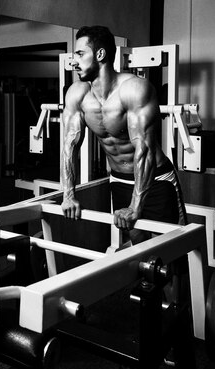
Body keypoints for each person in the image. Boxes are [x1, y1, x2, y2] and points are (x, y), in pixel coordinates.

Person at [60, 26, 187, 245]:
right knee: (139, 246)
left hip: (156, 180)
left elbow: (144, 150)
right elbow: (68, 146)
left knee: (170, 250)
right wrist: (68, 194)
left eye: (80, 54)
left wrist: (135, 205)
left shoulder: (134, 89)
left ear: (100, 54)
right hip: (119, 180)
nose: (74, 61)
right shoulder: (77, 94)